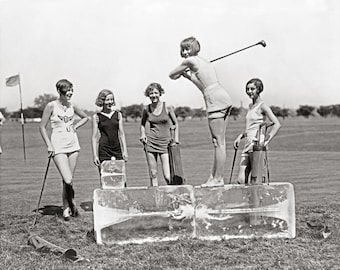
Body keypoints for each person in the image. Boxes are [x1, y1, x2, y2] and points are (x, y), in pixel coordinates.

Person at [169, 36, 233, 187]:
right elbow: (202, 85)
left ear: (194, 49)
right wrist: (187, 76)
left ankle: (217, 179)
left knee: (218, 142)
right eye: (182, 49)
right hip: (222, 96)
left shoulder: (189, 62)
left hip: (214, 100)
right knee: (219, 142)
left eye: (187, 49)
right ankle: (215, 177)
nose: (184, 52)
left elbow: (171, 75)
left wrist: (180, 72)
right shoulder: (203, 61)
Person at [39, 79, 89, 221]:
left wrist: (76, 126)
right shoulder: (51, 106)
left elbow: (86, 118)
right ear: (60, 92)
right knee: (67, 179)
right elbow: (42, 127)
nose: (70, 93)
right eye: (67, 90)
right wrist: (49, 145)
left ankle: (66, 209)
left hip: (73, 145)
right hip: (58, 146)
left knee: (68, 180)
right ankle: (72, 203)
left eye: (71, 90)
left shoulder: (73, 105)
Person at [233, 78, 281, 184]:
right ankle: (247, 200)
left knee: (256, 180)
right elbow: (251, 127)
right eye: (247, 89)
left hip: (257, 146)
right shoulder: (250, 107)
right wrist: (240, 136)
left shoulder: (262, 106)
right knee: (241, 180)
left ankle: (256, 200)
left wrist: (267, 140)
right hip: (247, 145)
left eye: (252, 89)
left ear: (259, 89)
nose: (249, 91)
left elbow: (276, 123)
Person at [140, 82, 179, 186]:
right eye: (151, 93)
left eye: (156, 93)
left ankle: (173, 196)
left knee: (167, 175)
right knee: (153, 174)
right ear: (148, 95)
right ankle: (156, 200)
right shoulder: (146, 109)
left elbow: (175, 123)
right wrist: (143, 134)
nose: (153, 95)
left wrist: (176, 139)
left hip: (165, 144)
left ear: (160, 93)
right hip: (151, 143)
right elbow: (142, 124)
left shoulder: (168, 107)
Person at [91, 89, 128, 166]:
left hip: (117, 148)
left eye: (111, 99)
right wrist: (95, 156)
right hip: (104, 149)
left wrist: (125, 151)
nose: (110, 102)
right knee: (105, 175)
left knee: (118, 175)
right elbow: (94, 137)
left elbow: (121, 134)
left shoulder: (118, 115)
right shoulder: (96, 117)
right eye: (107, 100)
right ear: (102, 101)